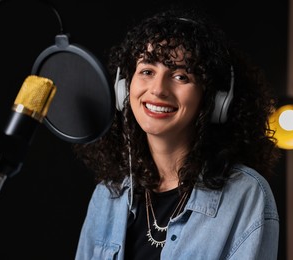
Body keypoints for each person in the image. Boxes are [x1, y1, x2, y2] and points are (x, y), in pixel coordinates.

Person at [74, 7, 280, 260]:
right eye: (147, 72)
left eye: (181, 76)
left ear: (216, 100)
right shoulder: (108, 195)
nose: (158, 89)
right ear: (124, 89)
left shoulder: (246, 195)